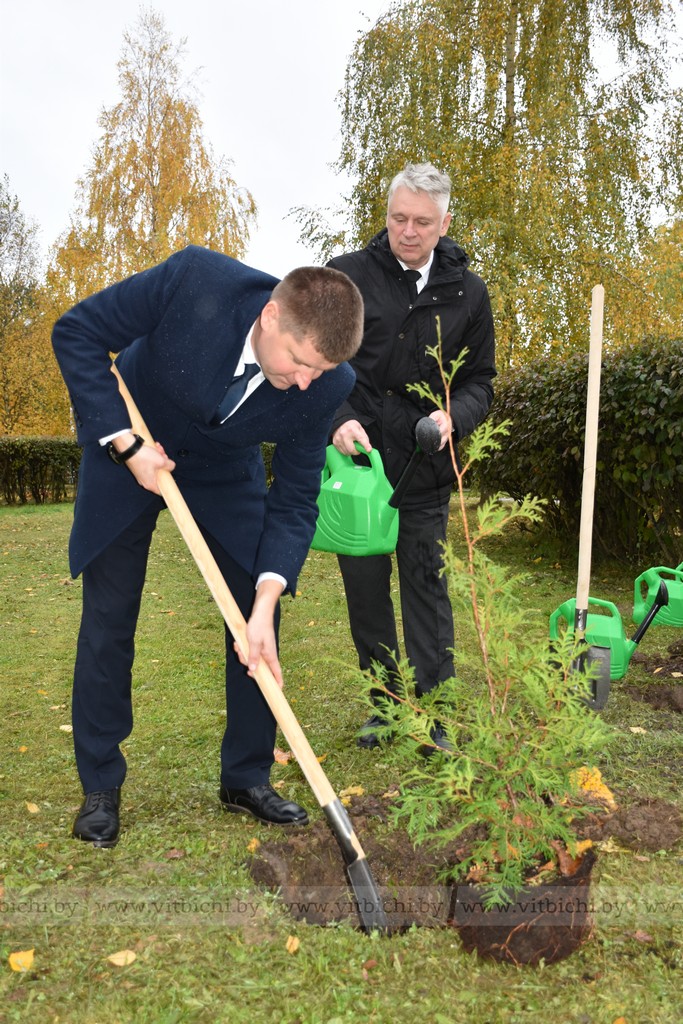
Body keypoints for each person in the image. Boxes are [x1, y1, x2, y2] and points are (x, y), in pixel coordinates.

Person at [52, 244, 364, 847]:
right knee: (110, 616)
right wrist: (126, 444)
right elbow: (79, 332)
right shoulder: (197, 281)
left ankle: (245, 776)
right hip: (134, 440)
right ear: (272, 317)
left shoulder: (325, 384)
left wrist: (267, 601)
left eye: (318, 374)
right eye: (299, 362)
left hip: (223, 468)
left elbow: (296, 500)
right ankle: (101, 783)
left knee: (254, 607)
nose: (304, 384)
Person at [327, 163, 496, 751]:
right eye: (399, 217)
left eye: (422, 221)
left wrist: (457, 416)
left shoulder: (468, 294)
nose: (408, 231)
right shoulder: (346, 277)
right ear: (388, 214)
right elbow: (322, 365)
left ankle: (438, 712)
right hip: (360, 465)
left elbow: (481, 382)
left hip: (424, 468)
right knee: (367, 591)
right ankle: (386, 705)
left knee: (427, 587)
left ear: (444, 222)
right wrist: (338, 418)